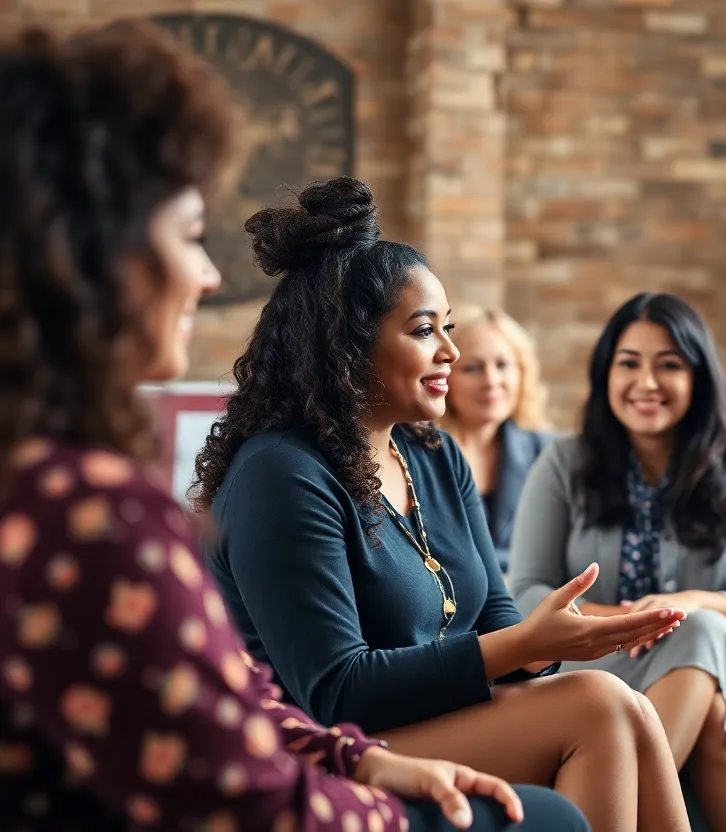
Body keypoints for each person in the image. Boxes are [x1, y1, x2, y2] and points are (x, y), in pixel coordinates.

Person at [0, 20, 588, 832]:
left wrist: (358, 761)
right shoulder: (89, 508)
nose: (208, 275)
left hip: (331, 756)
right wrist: (382, 798)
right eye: (189, 237)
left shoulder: (59, 488)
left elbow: (232, 705)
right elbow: (242, 783)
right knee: (554, 811)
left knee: (599, 716)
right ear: (92, 258)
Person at [191, 178, 691, 832]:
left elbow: (494, 614)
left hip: (427, 725)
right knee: (599, 707)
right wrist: (523, 645)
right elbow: (336, 691)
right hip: (333, 753)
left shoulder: (431, 453)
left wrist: (549, 643)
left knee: (627, 706)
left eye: (446, 328)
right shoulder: (280, 474)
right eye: (425, 330)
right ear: (347, 345)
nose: (451, 352)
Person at [510, 292, 726, 832]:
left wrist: (688, 604)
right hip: (598, 664)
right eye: (629, 363)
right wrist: (621, 624)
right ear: (606, 373)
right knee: (711, 715)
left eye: (669, 365)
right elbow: (525, 592)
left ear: (699, 376)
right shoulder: (563, 463)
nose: (647, 382)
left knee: (702, 631)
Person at [442, 306, 551, 575]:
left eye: (502, 365)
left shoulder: (548, 452)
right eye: (472, 368)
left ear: (522, 373)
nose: (491, 381)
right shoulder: (418, 455)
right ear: (444, 376)